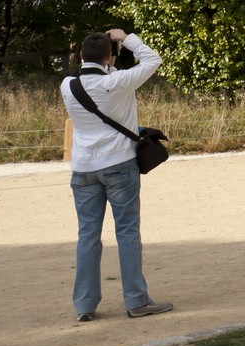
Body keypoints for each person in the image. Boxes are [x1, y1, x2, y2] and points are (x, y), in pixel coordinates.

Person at [60, 27, 172, 322]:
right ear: (110, 58)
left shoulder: (67, 85)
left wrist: (108, 56)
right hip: (119, 165)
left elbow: (93, 78)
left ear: (82, 56)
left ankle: (84, 305)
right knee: (127, 232)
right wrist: (126, 38)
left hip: (83, 168)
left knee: (87, 235)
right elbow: (152, 60)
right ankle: (136, 300)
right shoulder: (119, 81)